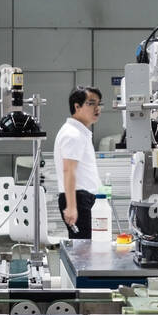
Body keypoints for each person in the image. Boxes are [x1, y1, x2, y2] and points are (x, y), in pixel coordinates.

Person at [54, 86, 103, 239]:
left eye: (99, 104)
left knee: (89, 249)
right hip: (78, 200)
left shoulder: (79, 133)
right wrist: (71, 206)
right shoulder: (73, 134)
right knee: (84, 253)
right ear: (77, 106)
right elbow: (69, 170)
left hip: (84, 199)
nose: (97, 109)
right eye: (91, 104)